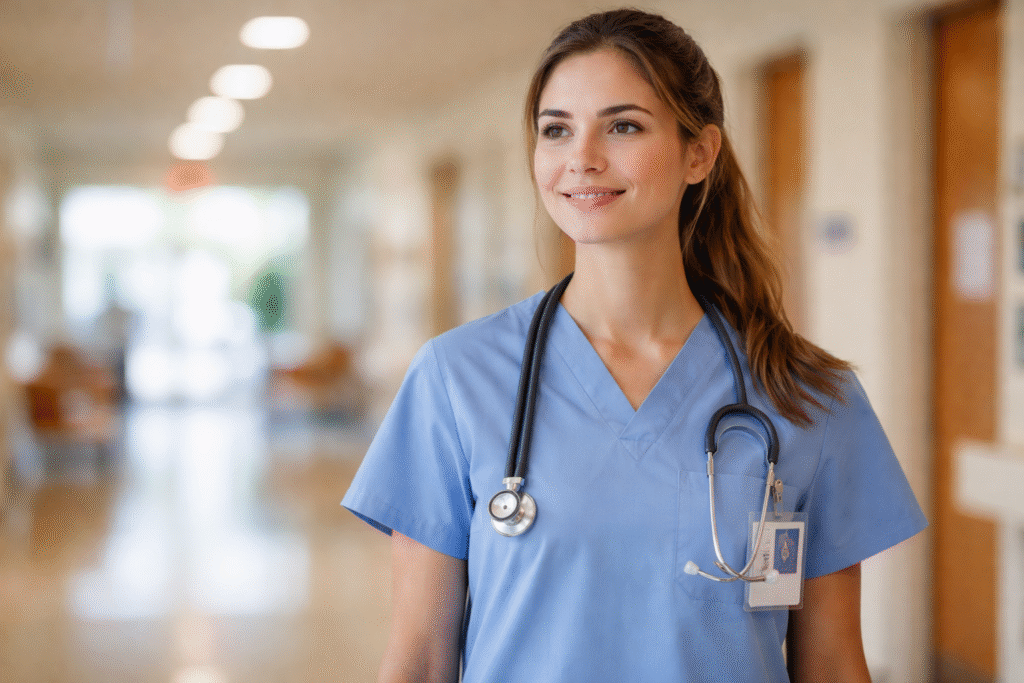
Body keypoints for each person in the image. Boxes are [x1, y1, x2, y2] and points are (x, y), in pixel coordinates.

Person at [342, 9, 926, 682]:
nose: (582, 158)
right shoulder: (456, 378)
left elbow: (831, 663)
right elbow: (417, 659)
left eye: (623, 126)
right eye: (556, 129)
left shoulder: (806, 396)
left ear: (699, 153)